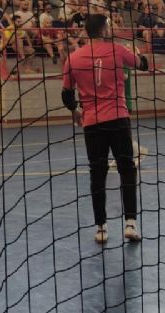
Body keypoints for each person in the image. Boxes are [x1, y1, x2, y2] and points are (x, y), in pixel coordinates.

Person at [61, 14, 149, 243]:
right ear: (103, 30)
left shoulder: (73, 58)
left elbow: (66, 95)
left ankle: (101, 228)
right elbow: (143, 65)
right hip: (118, 118)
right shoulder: (117, 50)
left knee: (97, 175)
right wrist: (138, 54)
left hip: (92, 123)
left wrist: (76, 112)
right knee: (127, 170)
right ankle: (130, 224)